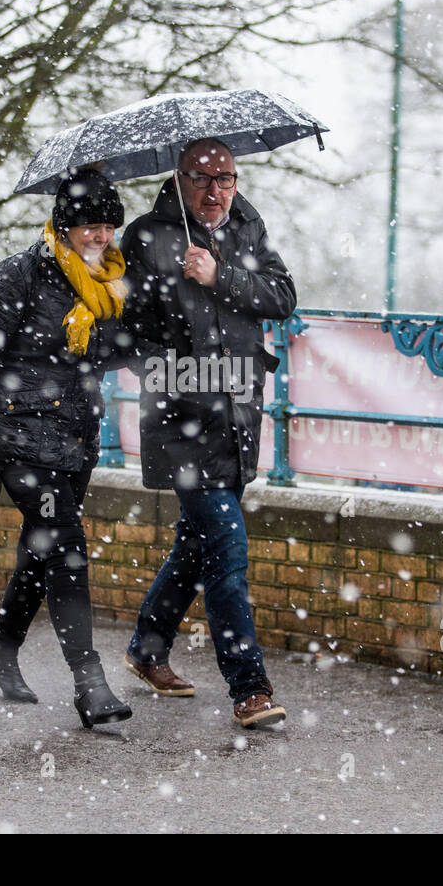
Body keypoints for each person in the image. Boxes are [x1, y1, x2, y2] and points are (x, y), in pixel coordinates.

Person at [0, 168, 134, 729]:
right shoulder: (21, 275)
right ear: (63, 224)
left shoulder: (108, 284)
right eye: (89, 227)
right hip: (20, 440)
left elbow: (108, 353)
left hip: (75, 439)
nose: (100, 237)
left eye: (107, 227)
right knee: (66, 544)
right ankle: (90, 682)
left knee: (40, 550)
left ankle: (1, 656)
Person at [120, 138, 297, 729]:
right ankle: (249, 688)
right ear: (180, 179)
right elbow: (127, 329)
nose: (217, 190)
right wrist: (169, 368)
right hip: (181, 420)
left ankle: (147, 649)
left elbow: (282, 298)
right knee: (227, 551)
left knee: (197, 546)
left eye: (227, 177)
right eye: (204, 178)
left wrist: (221, 277)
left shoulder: (248, 223)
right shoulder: (146, 237)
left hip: (239, 415)